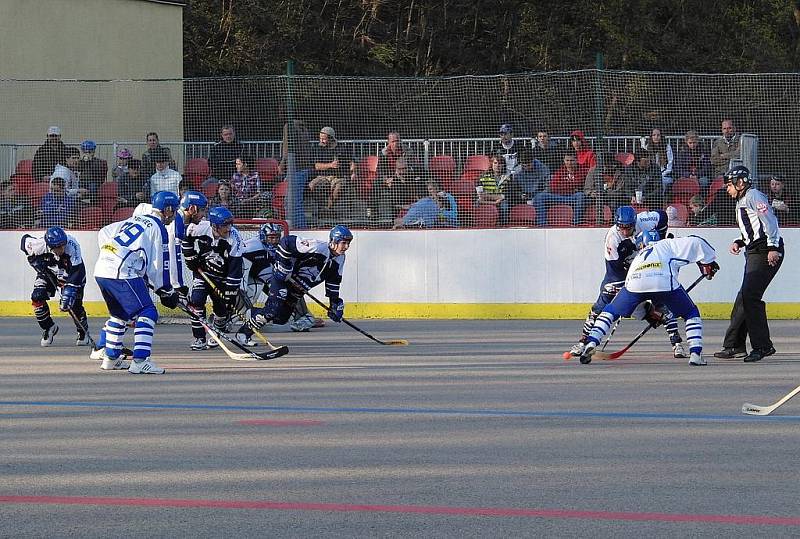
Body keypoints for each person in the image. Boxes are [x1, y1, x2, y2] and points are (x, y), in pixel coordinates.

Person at [578, 229, 719, 366]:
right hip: (663, 281)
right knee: (690, 312)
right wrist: (708, 262)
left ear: (641, 244)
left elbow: (633, 294)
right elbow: (697, 242)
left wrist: (647, 314)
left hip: (635, 282)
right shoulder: (666, 244)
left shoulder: (638, 256)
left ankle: (591, 342)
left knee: (610, 311)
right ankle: (695, 354)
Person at [568, 206, 689, 359]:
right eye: (621, 227)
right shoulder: (612, 239)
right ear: (616, 224)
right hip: (623, 271)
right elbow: (614, 271)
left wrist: (660, 238)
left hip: (649, 267)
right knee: (601, 303)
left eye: (629, 227)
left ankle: (676, 343)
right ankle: (584, 341)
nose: (625, 231)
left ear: (634, 222)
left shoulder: (644, 220)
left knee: (662, 302)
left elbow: (663, 216)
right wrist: (622, 288)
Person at [94, 191, 180, 373]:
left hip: (102, 268)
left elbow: (105, 232)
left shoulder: (134, 219)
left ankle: (111, 358)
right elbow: (159, 264)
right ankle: (140, 361)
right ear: (168, 209)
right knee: (148, 311)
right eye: (174, 211)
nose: (174, 216)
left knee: (121, 314)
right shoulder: (158, 228)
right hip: (121, 271)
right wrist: (165, 290)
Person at [713, 165, 785, 363]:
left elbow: (770, 221)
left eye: (729, 185)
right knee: (744, 298)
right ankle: (734, 346)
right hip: (755, 250)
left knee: (750, 298)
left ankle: (763, 346)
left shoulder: (754, 196)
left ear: (740, 182)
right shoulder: (742, 200)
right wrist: (740, 241)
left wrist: (773, 248)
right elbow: (754, 230)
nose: (727, 189)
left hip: (764, 251)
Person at [242, 225, 353, 337]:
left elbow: (333, 282)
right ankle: (244, 333)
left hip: (297, 289)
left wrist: (334, 303)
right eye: (343, 243)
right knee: (272, 309)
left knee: (281, 319)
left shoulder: (340, 259)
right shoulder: (316, 247)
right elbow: (287, 242)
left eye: (348, 243)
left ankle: (252, 314)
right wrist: (284, 266)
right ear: (334, 241)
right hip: (284, 280)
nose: (346, 246)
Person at [240, 222, 321, 335]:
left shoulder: (282, 247)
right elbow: (237, 259)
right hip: (249, 276)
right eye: (271, 238)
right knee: (244, 293)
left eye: (277, 237)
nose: (274, 241)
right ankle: (229, 317)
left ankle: (302, 316)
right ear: (263, 237)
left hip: (268, 277)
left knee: (292, 288)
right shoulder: (251, 246)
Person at [182, 206, 244, 350]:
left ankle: (218, 331)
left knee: (221, 309)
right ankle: (199, 338)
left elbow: (236, 267)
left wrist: (231, 291)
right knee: (196, 302)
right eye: (224, 225)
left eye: (230, 224)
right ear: (214, 225)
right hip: (203, 273)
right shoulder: (199, 228)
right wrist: (190, 256)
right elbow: (186, 238)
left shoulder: (235, 239)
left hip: (223, 277)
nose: (228, 228)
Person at [20, 226, 89, 347]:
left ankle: (82, 331)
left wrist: (68, 291)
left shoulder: (73, 246)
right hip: (49, 272)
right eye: (58, 247)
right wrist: (35, 262)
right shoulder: (39, 245)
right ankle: (49, 327)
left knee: (73, 304)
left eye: (63, 245)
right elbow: (24, 241)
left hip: (72, 273)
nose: (62, 248)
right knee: (37, 297)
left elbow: (77, 271)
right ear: (50, 245)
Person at [307, 126, 353, 221]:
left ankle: (328, 209)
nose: (321, 141)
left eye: (324, 139)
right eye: (320, 138)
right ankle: (319, 210)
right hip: (322, 176)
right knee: (312, 185)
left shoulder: (342, 148)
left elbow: (351, 162)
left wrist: (353, 172)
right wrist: (330, 165)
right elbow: (316, 166)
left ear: (331, 138)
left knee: (338, 187)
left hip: (338, 176)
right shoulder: (317, 148)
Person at [532, 153, 587, 226]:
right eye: (567, 160)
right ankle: (542, 225)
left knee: (580, 195)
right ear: (564, 160)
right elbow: (553, 186)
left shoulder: (582, 171)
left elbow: (580, 184)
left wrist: (563, 185)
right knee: (539, 196)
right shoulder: (560, 171)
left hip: (573, 197)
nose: (569, 163)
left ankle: (576, 224)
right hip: (558, 197)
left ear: (576, 160)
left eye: (572, 160)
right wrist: (571, 187)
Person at [370, 157, 423, 226]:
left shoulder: (413, 175)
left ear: (408, 167)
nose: (402, 172)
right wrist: (385, 182)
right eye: (399, 169)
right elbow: (376, 183)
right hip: (396, 205)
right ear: (396, 168)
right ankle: (375, 220)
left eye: (404, 169)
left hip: (411, 204)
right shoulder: (391, 176)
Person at [393, 180, 457, 229]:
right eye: (429, 189)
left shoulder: (448, 197)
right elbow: (414, 206)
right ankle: (405, 223)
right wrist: (401, 206)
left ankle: (404, 222)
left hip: (448, 225)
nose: (430, 191)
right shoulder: (427, 200)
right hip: (431, 224)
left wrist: (440, 214)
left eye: (431, 189)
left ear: (438, 188)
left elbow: (454, 214)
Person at [476, 155, 512, 224]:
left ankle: (504, 227)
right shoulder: (482, 177)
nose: (498, 166)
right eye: (495, 163)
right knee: (476, 204)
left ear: (504, 165)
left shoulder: (508, 178)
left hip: (501, 202)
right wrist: (494, 202)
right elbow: (480, 197)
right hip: (487, 202)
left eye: (500, 163)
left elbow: (505, 195)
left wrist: (487, 195)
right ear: (491, 164)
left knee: (504, 205)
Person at [640, 128, 674, 194]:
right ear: (651, 136)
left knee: (661, 182)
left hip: (664, 175)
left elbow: (670, 164)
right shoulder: (647, 147)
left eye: (658, 135)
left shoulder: (667, 147)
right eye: (654, 135)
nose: (656, 137)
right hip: (650, 175)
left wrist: (660, 174)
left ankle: (661, 200)